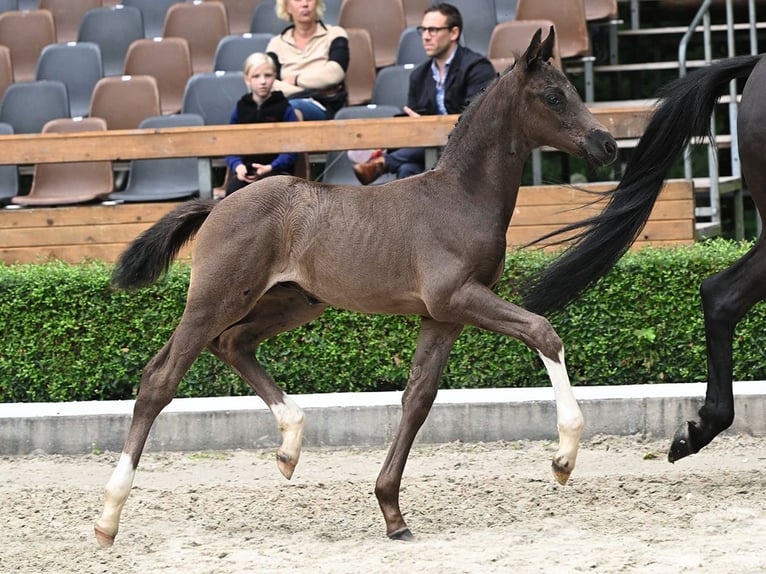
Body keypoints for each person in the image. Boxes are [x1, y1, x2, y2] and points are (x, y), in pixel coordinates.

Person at [353, 3, 497, 185]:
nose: (426, 37)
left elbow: (475, 119)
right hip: (428, 151)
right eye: (423, 30)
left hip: (468, 150)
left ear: (454, 33)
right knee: (407, 170)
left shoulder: (477, 68)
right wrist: (416, 123)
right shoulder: (419, 76)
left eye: (433, 30)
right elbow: (417, 119)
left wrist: (427, 124)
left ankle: (384, 163)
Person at [224, 52, 300, 197]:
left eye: (268, 75)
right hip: (247, 173)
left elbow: (292, 148)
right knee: (232, 194)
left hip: (277, 173)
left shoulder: (285, 107)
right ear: (247, 79)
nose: (263, 81)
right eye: (256, 76)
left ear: (275, 77)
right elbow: (230, 145)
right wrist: (238, 166)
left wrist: (271, 167)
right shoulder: (241, 108)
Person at [266, 0, 350, 120]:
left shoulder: (335, 34)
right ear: (287, 7)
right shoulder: (276, 44)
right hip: (287, 102)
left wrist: (296, 80)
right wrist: (315, 89)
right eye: (298, 0)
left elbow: (334, 73)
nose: (305, 4)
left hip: (324, 105)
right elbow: (269, 84)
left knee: (291, 109)